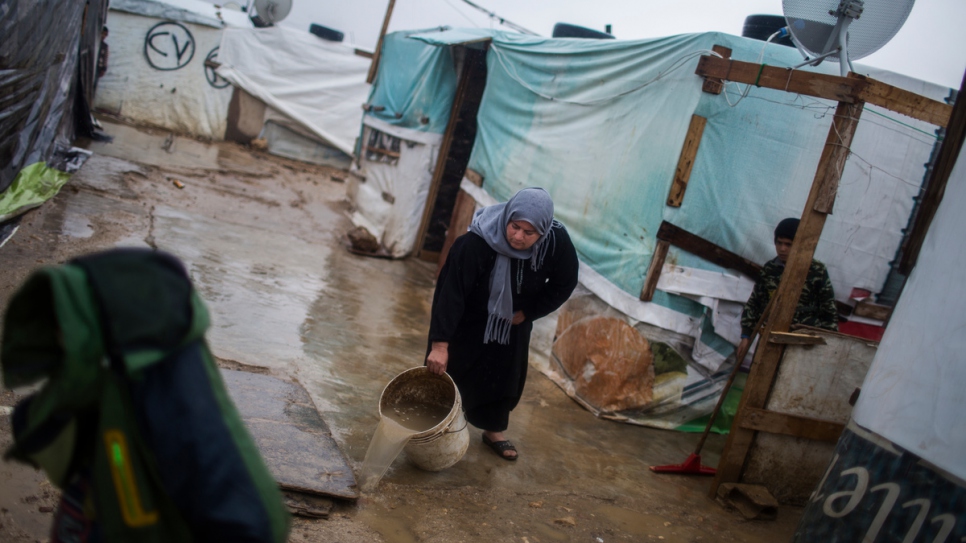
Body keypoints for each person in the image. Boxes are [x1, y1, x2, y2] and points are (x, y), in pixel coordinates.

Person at [426, 187, 579, 461]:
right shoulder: (476, 242)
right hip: (468, 317)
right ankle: (438, 425)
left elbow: (565, 282)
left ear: (542, 232)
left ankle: (493, 429)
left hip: (511, 321)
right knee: (452, 370)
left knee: (503, 375)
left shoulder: (555, 242)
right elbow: (451, 293)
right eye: (514, 226)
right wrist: (440, 344)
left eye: (528, 233)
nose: (518, 236)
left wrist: (529, 311)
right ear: (507, 217)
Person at [738, 217, 839, 355]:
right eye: (779, 243)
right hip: (771, 337)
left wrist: (828, 344)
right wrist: (746, 336)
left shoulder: (816, 270)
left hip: (803, 343)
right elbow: (755, 303)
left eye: (788, 244)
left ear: (799, 244)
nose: (782, 249)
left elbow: (828, 309)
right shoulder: (770, 269)